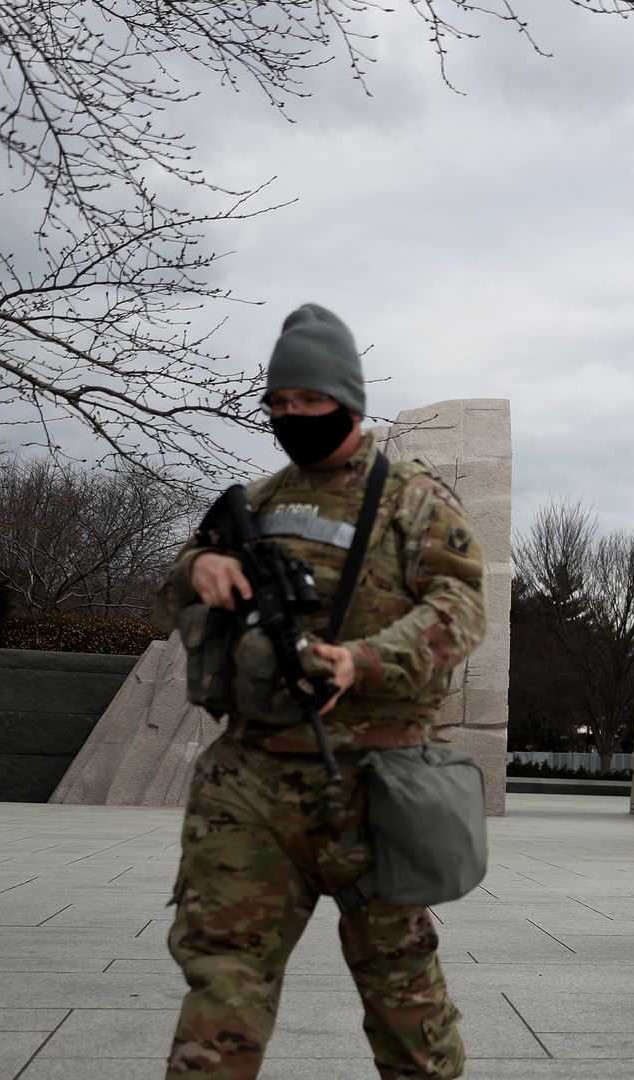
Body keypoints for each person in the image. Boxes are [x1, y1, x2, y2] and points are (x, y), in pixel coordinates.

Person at [155, 304, 484, 1079]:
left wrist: (360, 663)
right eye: (277, 404)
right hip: (254, 782)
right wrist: (195, 570)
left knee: (405, 1001)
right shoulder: (260, 501)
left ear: (349, 400)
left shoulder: (414, 499)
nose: (290, 416)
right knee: (222, 986)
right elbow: (172, 584)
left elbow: (460, 611)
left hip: (376, 788)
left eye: (307, 401)